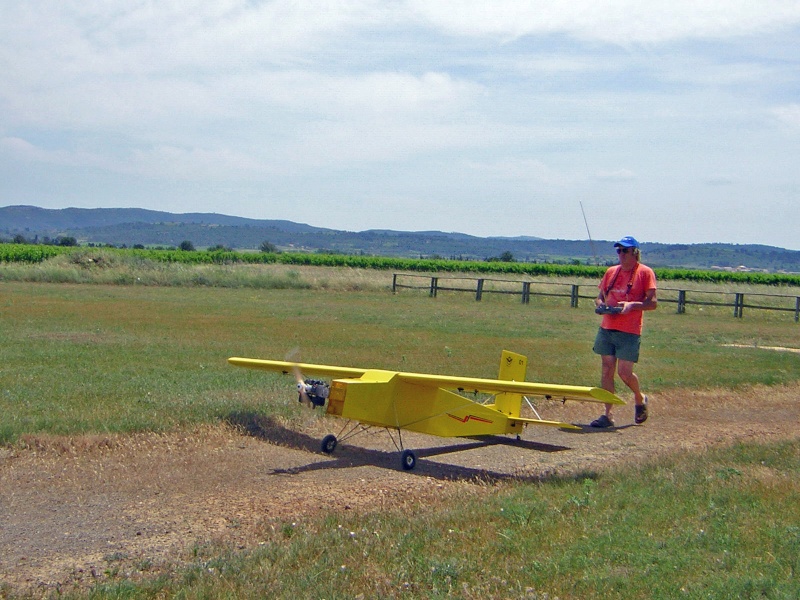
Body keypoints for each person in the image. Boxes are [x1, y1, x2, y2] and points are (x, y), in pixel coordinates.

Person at [590, 236, 657, 428]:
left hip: (629, 330)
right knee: (606, 369)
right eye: (618, 251)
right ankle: (608, 415)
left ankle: (639, 398)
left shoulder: (645, 273)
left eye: (625, 251)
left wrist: (632, 305)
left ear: (634, 252)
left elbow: (652, 303)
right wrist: (601, 305)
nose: (621, 255)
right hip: (607, 327)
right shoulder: (611, 272)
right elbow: (599, 297)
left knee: (625, 373)